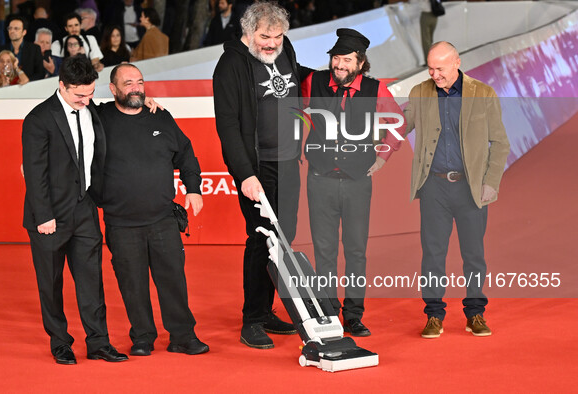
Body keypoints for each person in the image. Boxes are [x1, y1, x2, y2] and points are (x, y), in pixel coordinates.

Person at [213, 1, 311, 349]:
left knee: (284, 238)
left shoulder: (285, 50)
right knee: (262, 239)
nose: (271, 43)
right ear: (248, 32)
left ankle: (266, 310)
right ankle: (252, 319)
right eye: (264, 36)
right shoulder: (230, 66)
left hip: (288, 161)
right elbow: (226, 126)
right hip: (257, 168)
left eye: (278, 35)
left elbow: (298, 76)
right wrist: (245, 174)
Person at [21, 55, 128, 364]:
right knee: (51, 284)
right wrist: (43, 216)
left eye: (91, 93)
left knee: (91, 281)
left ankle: (98, 343)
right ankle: (60, 342)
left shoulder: (91, 109)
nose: (86, 100)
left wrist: (149, 105)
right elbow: (35, 171)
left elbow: (120, 111)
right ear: (61, 85)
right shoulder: (39, 119)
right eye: (79, 95)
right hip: (50, 216)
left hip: (85, 211)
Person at [301, 28, 406, 337]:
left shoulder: (375, 90)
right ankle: (328, 313)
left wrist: (382, 156)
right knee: (324, 250)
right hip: (319, 179)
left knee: (356, 250)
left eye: (347, 59)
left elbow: (397, 123)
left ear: (361, 63)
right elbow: (292, 108)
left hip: (357, 182)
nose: (340, 65)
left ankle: (354, 315)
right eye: (336, 58)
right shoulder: (315, 82)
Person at [98, 63, 209, 356]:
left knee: (173, 280)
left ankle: (183, 337)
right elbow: (69, 114)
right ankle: (143, 338)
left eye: (139, 82)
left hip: (162, 219)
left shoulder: (160, 116)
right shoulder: (99, 117)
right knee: (132, 285)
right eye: (128, 83)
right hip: (121, 223)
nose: (136, 87)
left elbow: (186, 153)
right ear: (113, 90)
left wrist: (193, 189)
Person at [403, 42, 510, 338]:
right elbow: (400, 126)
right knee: (433, 254)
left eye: (440, 68)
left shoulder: (483, 93)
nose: (434, 74)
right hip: (433, 187)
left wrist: (491, 182)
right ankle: (434, 315)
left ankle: (475, 313)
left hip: (470, 188)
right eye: (430, 68)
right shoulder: (420, 92)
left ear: (457, 63)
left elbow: (500, 143)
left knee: (474, 254)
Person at [1, 15, 45, 80]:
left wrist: (26, 81)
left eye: (16, 29)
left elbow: (40, 74)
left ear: (24, 32)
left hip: (28, 87)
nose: (12, 31)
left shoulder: (34, 49)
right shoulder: (1, 49)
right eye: (10, 28)